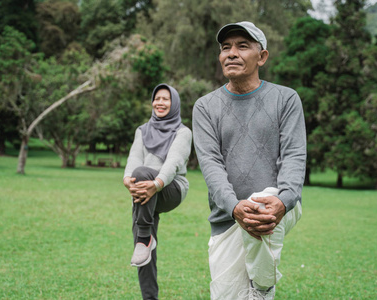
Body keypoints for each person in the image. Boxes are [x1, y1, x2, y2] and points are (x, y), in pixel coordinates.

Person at [192, 21, 306, 300]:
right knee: (225, 295)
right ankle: (265, 285)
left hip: (280, 207)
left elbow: (294, 155)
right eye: (225, 48)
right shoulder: (205, 107)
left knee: (264, 198)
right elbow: (210, 165)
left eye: (242, 46)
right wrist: (234, 207)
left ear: (262, 56)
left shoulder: (285, 99)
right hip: (227, 217)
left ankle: (262, 288)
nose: (231, 53)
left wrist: (283, 200)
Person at [123, 83, 192, 300]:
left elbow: (173, 162)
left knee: (143, 172)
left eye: (165, 99)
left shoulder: (183, 132)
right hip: (144, 191)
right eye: (157, 98)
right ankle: (149, 297)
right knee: (142, 254)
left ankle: (145, 236)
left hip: (170, 189)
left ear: (174, 104)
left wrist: (157, 183)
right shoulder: (142, 130)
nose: (160, 103)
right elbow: (134, 156)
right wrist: (127, 180)